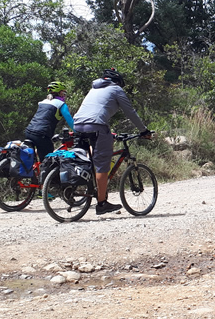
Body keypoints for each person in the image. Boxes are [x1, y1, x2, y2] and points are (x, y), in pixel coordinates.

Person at [73, 68, 151, 215]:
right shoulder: (116, 89)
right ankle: (102, 204)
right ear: (118, 82)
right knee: (102, 162)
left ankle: (85, 188)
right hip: (97, 126)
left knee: (87, 157)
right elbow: (130, 112)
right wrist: (143, 130)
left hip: (78, 126)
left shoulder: (93, 89)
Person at [24, 80, 75, 163]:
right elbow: (70, 121)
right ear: (59, 93)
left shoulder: (43, 102)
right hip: (42, 134)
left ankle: (34, 174)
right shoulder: (61, 104)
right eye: (63, 93)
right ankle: (47, 175)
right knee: (48, 161)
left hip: (29, 131)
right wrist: (77, 132)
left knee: (35, 158)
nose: (64, 96)